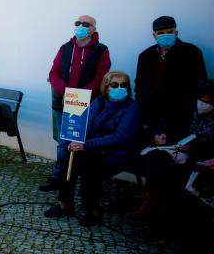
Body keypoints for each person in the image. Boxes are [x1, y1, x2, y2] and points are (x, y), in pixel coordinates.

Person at [44, 71, 140, 226]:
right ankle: (65, 203)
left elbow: (121, 137)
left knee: (91, 165)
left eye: (124, 85)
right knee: (68, 157)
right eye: (115, 85)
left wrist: (85, 144)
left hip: (116, 153)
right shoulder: (99, 101)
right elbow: (85, 123)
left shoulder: (131, 107)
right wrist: (75, 139)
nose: (120, 88)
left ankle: (92, 210)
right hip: (93, 149)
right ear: (106, 87)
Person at [40, 15, 111, 191]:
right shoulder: (65, 48)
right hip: (62, 103)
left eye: (85, 24)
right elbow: (54, 73)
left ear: (93, 29)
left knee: (81, 143)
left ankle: (79, 180)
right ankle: (59, 178)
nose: (80, 26)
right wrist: (66, 92)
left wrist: (79, 95)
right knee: (63, 143)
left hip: (86, 105)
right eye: (77, 23)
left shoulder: (101, 50)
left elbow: (101, 78)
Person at [136, 80, 214, 217]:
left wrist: (194, 147)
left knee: (164, 168)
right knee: (156, 157)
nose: (202, 104)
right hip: (180, 150)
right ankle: (149, 200)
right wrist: (166, 136)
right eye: (200, 100)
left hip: (199, 158)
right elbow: (176, 128)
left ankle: (156, 206)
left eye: (206, 102)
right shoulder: (192, 112)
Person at [135, 16, 207, 153]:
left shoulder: (192, 53)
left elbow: (200, 86)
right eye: (160, 33)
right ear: (154, 35)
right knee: (154, 156)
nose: (165, 35)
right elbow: (140, 87)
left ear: (176, 32)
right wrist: (147, 119)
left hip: (183, 118)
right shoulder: (145, 56)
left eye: (169, 31)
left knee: (180, 156)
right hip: (153, 118)